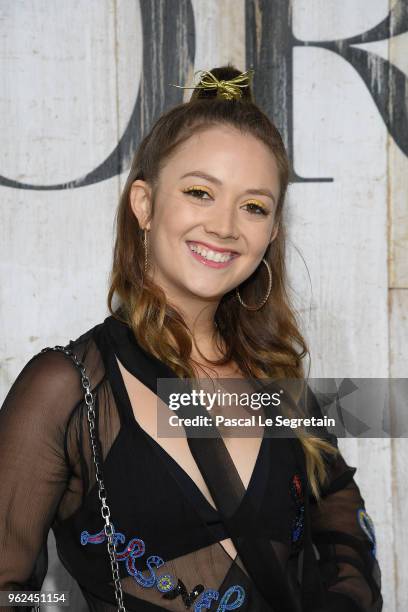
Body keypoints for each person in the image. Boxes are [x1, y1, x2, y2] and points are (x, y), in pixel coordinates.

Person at [0, 65, 382, 612]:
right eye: (201, 192)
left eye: (254, 206)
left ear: (271, 233)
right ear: (145, 205)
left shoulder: (281, 386)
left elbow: (348, 536)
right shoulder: (66, 388)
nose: (226, 225)